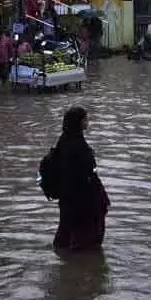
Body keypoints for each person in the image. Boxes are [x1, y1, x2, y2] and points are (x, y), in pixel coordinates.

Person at [51, 106, 110, 252]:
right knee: (84, 235)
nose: (87, 121)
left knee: (66, 232)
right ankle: (82, 263)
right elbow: (85, 173)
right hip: (80, 199)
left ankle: (69, 262)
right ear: (79, 122)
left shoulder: (64, 140)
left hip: (68, 198)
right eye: (85, 119)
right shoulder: (77, 145)